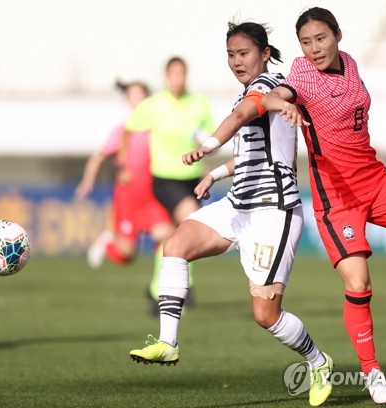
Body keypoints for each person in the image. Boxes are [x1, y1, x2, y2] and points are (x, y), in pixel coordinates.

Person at [128, 22, 333, 407]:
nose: (237, 61)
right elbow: (253, 155)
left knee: (266, 315)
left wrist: (206, 148)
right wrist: (217, 173)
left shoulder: (269, 84)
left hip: (274, 212)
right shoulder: (253, 91)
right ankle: (168, 342)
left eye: (244, 53)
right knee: (175, 245)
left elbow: (240, 118)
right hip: (238, 205)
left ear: (265, 53)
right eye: (231, 54)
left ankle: (318, 361)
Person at [261, 7, 386, 405]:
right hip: (337, 197)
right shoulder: (302, 75)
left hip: (374, 179)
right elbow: (274, 95)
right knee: (359, 285)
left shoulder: (349, 63)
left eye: (321, 38)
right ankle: (372, 373)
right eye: (306, 42)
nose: (314, 48)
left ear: (338, 35)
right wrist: (280, 103)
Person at [122, 57, 216, 308]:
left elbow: (212, 138)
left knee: (174, 235)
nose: (178, 78)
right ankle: (184, 286)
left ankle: (159, 289)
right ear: (166, 76)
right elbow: (128, 128)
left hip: (192, 179)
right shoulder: (155, 105)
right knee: (191, 221)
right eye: (173, 74)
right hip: (164, 179)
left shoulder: (199, 104)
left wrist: (204, 145)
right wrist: (123, 165)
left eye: (182, 73)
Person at [75, 81, 174, 311]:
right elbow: (98, 157)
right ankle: (108, 241)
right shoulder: (122, 131)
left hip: (153, 196)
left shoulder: (157, 129)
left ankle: (161, 288)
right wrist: (88, 180)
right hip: (128, 198)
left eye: (141, 95)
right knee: (127, 255)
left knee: (168, 236)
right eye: (132, 95)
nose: (137, 100)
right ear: (127, 100)